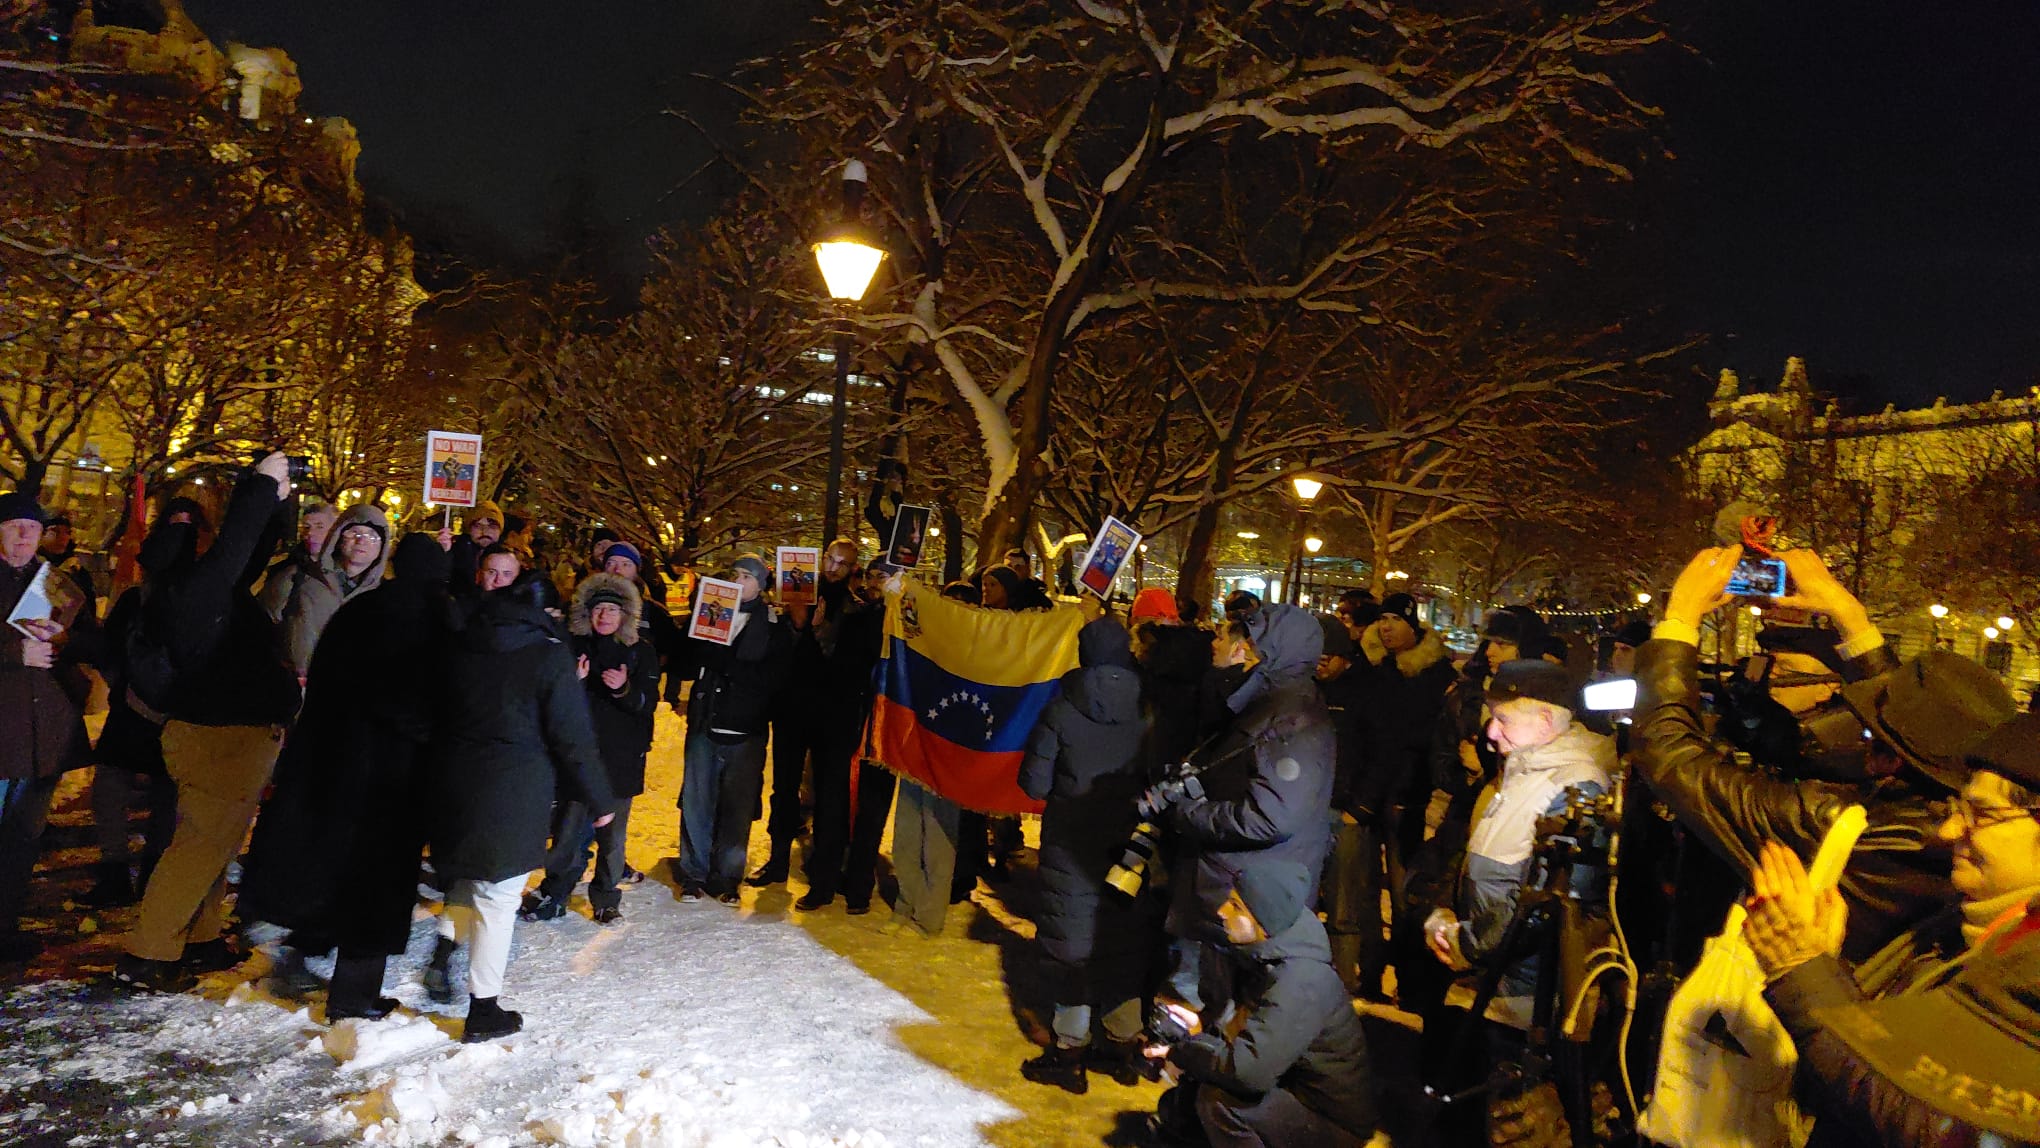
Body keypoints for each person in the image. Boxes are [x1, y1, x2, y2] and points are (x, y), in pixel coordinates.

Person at [1636, 545, 2016, 961]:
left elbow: (1671, 754)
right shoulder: (1956, 819)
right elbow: (1916, 723)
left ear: (1896, 758)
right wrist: (1849, 616)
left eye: (1878, 738)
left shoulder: (1845, 826)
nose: (1867, 741)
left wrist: (1680, 620)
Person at [1745, 711, 2040, 1147]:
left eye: (1982, 814)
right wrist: (1827, 964)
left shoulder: (2026, 969)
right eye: (1957, 808)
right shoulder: (1949, 930)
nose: (1949, 830)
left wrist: (1804, 972)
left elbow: (1944, 1125)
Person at [240, 532, 454, 1017]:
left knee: (332, 867)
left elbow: (327, 681)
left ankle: (299, 954)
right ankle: (354, 998)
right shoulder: (436, 618)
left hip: (336, 764)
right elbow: (424, 699)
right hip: (394, 778)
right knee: (378, 885)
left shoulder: (360, 610)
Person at [116, 454, 300, 990]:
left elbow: (250, 550)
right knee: (199, 846)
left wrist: (277, 501)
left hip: (227, 735)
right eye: (193, 531)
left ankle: (198, 936)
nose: (205, 539)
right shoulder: (189, 594)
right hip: (220, 737)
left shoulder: (197, 590)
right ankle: (147, 954)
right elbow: (236, 548)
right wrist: (260, 488)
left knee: (213, 843)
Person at [423, 573, 615, 1041]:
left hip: (456, 783)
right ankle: (483, 1009)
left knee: (469, 878)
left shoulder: (463, 644)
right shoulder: (548, 655)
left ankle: (444, 951)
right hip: (513, 790)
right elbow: (572, 736)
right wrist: (599, 797)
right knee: (498, 897)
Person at [1162, 602, 1335, 1013]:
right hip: (1234, 880)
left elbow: (1271, 817)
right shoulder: (1275, 706)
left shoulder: (1291, 720)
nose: (1240, 653)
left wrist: (1189, 813)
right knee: (1210, 995)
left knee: (1218, 1004)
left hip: (1246, 890)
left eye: (1252, 646)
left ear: (1273, 655)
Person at [1423, 660, 1615, 1027]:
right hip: (1490, 978)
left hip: (1523, 1000)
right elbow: (1476, 857)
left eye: (1502, 719)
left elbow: (1547, 908)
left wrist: (1466, 944)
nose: (1491, 732)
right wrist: (1444, 912)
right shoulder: (1522, 771)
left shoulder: (1574, 788)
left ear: (1544, 720)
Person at [1146, 861, 1382, 1148]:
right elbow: (1253, 1036)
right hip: (1293, 1091)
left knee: (1218, 1103)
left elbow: (1247, 1072)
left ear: (1263, 920)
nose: (1222, 911)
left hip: (1332, 1121)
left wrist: (1183, 1053)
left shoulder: (1299, 980)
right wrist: (1200, 1029)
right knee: (1180, 1108)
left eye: (1236, 906)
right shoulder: (1269, 955)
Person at [1018, 617, 1157, 1094]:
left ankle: (1070, 1053)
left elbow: (1034, 783)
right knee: (1122, 940)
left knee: (1072, 947)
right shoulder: (1148, 709)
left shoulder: (1062, 709)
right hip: (1129, 845)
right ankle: (1122, 1045)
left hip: (1070, 844)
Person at [523, 572, 660, 925]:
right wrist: (574, 683)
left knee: (612, 838)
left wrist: (624, 689)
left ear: (625, 615)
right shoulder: (572, 646)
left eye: (612, 610)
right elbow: (553, 699)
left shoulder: (640, 651)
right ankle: (556, 891)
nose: (604, 616)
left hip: (621, 757)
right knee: (568, 831)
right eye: (598, 609)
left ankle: (606, 897)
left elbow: (647, 703)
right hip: (580, 757)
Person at [0, 490, 92, 962]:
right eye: (14, 526)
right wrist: (14, 652)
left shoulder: (55, 583)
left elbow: (90, 640)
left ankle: (5, 925)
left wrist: (66, 638)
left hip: (43, 737)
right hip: (5, 731)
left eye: (33, 528)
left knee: (23, 838)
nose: (24, 536)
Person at [673, 554, 791, 903]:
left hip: (745, 729)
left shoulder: (772, 625)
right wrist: (695, 632)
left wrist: (724, 661)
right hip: (706, 721)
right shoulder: (711, 612)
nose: (738, 581)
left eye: (746, 577)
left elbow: (769, 678)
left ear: (760, 585)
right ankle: (693, 873)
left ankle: (727, 877)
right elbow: (684, 663)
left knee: (737, 808)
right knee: (696, 803)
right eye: (735, 574)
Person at [275, 503, 389, 680]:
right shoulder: (295, 578)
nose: (361, 541)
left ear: (383, 546)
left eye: (372, 536)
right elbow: (258, 629)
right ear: (338, 536)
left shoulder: (387, 597)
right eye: (354, 533)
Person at [255, 500, 336, 621]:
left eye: (320, 526)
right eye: (306, 527)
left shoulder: (345, 570)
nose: (310, 533)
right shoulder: (285, 571)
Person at [446, 499, 505, 595]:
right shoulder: (454, 554)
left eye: (492, 526)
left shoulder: (511, 559)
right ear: (469, 530)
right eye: (478, 526)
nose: (484, 531)